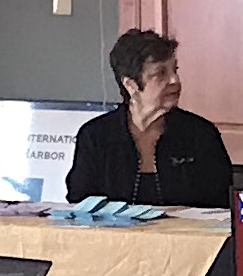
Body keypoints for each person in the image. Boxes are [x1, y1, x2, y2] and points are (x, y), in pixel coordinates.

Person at [66, 29, 233, 207]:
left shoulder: (201, 134)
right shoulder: (96, 136)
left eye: (174, 70)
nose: (174, 80)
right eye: (160, 74)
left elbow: (223, 203)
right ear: (130, 85)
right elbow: (80, 203)